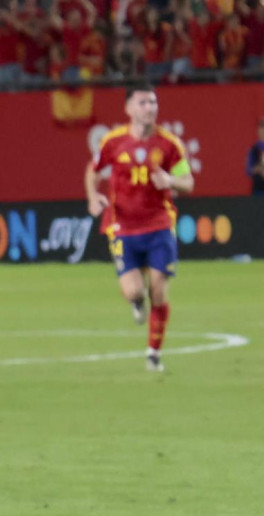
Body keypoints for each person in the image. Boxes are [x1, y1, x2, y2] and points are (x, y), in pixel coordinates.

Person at [84, 83, 194, 372]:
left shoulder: (169, 144)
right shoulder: (113, 141)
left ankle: (153, 353)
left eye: (153, 102)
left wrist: (171, 181)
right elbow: (92, 171)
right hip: (122, 226)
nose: (150, 108)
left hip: (159, 224)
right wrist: (92, 195)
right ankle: (136, 301)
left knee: (159, 289)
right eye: (143, 103)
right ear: (129, 108)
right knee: (134, 291)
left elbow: (189, 182)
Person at [246, 118, 264, 196]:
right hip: (258, 192)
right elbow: (248, 170)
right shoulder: (254, 149)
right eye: (261, 129)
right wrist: (259, 169)